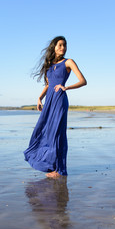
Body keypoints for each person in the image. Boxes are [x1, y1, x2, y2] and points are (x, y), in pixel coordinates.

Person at [23, 36, 87, 178]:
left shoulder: (68, 62)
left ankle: (59, 169)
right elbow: (48, 85)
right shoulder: (49, 64)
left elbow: (83, 81)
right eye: (60, 45)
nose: (63, 48)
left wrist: (66, 87)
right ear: (54, 47)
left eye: (64, 45)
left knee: (57, 133)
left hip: (59, 100)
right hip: (49, 101)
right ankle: (51, 166)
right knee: (44, 130)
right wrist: (40, 97)